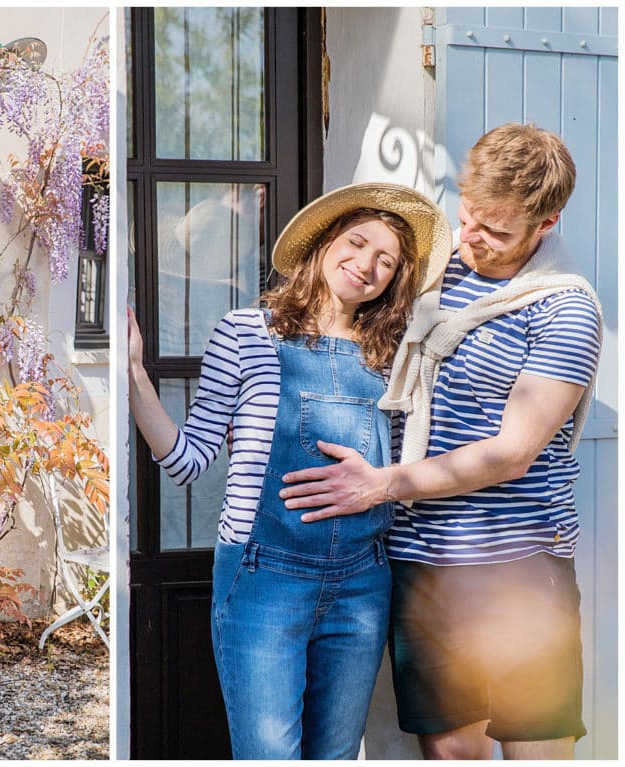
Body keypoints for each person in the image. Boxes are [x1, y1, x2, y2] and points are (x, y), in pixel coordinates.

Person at [280, 123, 602, 760]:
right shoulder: (432, 270)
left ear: (548, 222)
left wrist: (385, 483)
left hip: (519, 566)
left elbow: (513, 453)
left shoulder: (565, 308)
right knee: (450, 751)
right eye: (471, 215)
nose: (475, 238)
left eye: (498, 230)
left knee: (537, 749)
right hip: (422, 558)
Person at [128, 183, 451, 759]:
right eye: (357, 243)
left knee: (334, 756)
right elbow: (187, 460)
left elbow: (408, 470)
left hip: (362, 581)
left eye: (386, 260)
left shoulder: (392, 353)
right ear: (327, 242)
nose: (366, 265)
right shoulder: (245, 332)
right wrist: (134, 379)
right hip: (262, 577)